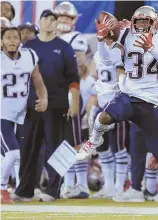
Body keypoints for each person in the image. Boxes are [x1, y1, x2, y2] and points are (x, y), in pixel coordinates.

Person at [77, 6, 158, 219]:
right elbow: (107, 61)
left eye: (146, 22)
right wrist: (101, 41)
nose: (142, 25)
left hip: (149, 103)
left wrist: (152, 49)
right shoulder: (126, 32)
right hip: (128, 95)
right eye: (139, 22)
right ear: (134, 22)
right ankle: (95, 139)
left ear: (154, 23)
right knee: (104, 115)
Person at [12, 9, 80, 202]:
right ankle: (25, 189)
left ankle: (53, 190)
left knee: (55, 148)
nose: (50, 22)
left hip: (57, 105)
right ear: (39, 22)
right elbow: (20, 76)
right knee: (28, 147)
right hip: (31, 105)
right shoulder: (27, 47)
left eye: (53, 20)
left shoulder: (64, 47)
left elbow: (73, 78)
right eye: (47, 19)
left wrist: (74, 103)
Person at [1, 27, 48, 204]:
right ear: (1, 41)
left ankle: (20, 189)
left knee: (17, 155)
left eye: (15, 37)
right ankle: (2, 189)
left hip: (21, 114)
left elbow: (38, 81)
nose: (12, 41)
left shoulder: (29, 56)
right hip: (2, 114)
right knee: (12, 154)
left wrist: (43, 99)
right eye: (8, 38)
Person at [88, 13, 130, 199]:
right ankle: (110, 186)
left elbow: (122, 74)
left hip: (117, 103)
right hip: (102, 103)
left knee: (119, 147)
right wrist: (94, 103)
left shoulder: (121, 49)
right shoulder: (99, 53)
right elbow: (97, 78)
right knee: (103, 149)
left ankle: (120, 187)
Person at [53, 1, 90, 199]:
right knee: (61, 142)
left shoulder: (77, 38)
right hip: (54, 95)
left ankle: (82, 184)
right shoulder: (50, 39)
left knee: (75, 140)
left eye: (67, 17)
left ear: (74, 20)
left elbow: (80, 66)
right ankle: (67, 184)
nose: (64, 21)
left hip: (71, 93)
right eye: (61, 17)